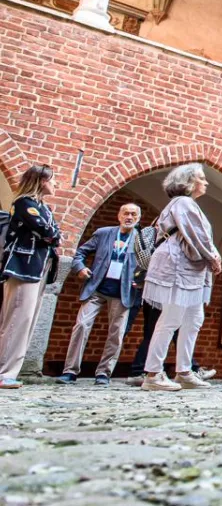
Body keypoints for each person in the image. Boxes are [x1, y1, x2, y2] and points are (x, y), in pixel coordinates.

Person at [141, 164, 222, 392]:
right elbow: (196, 235)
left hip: (191, 268)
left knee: (194, 318)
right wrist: (213, 256)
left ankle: (184, 371)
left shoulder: (188, 204)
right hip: (178, 264)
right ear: (189, 182)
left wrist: (210, 256)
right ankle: (153, 374)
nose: (206, 182)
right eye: (202, 178)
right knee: (171, 318)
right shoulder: (183, 202)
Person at [56, 203, 141, 386]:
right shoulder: (104, 233)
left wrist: (140, 280)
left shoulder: (140, 240)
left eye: (133, 214)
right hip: (96, 287)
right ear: (119, 216)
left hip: (122, 292)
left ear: (138, 218)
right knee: (81, 325)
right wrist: (80, 268)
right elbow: (81, 252)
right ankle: (70, 371)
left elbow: (148, 265)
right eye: (126, 213)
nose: (129, 217)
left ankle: (104, 373)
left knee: (116, 334)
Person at [0, 165, 61, 390]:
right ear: (41, 181)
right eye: (52, 179)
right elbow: (48, 232)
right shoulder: (24, 203)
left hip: (39, 267)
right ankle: (4, 372)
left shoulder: (43, 207)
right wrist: (52, 235)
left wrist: (53, 235)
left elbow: (55, 233)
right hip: (23, 266)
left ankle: (10, 371)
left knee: (27, 321)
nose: (55, 183)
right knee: (17, 319)